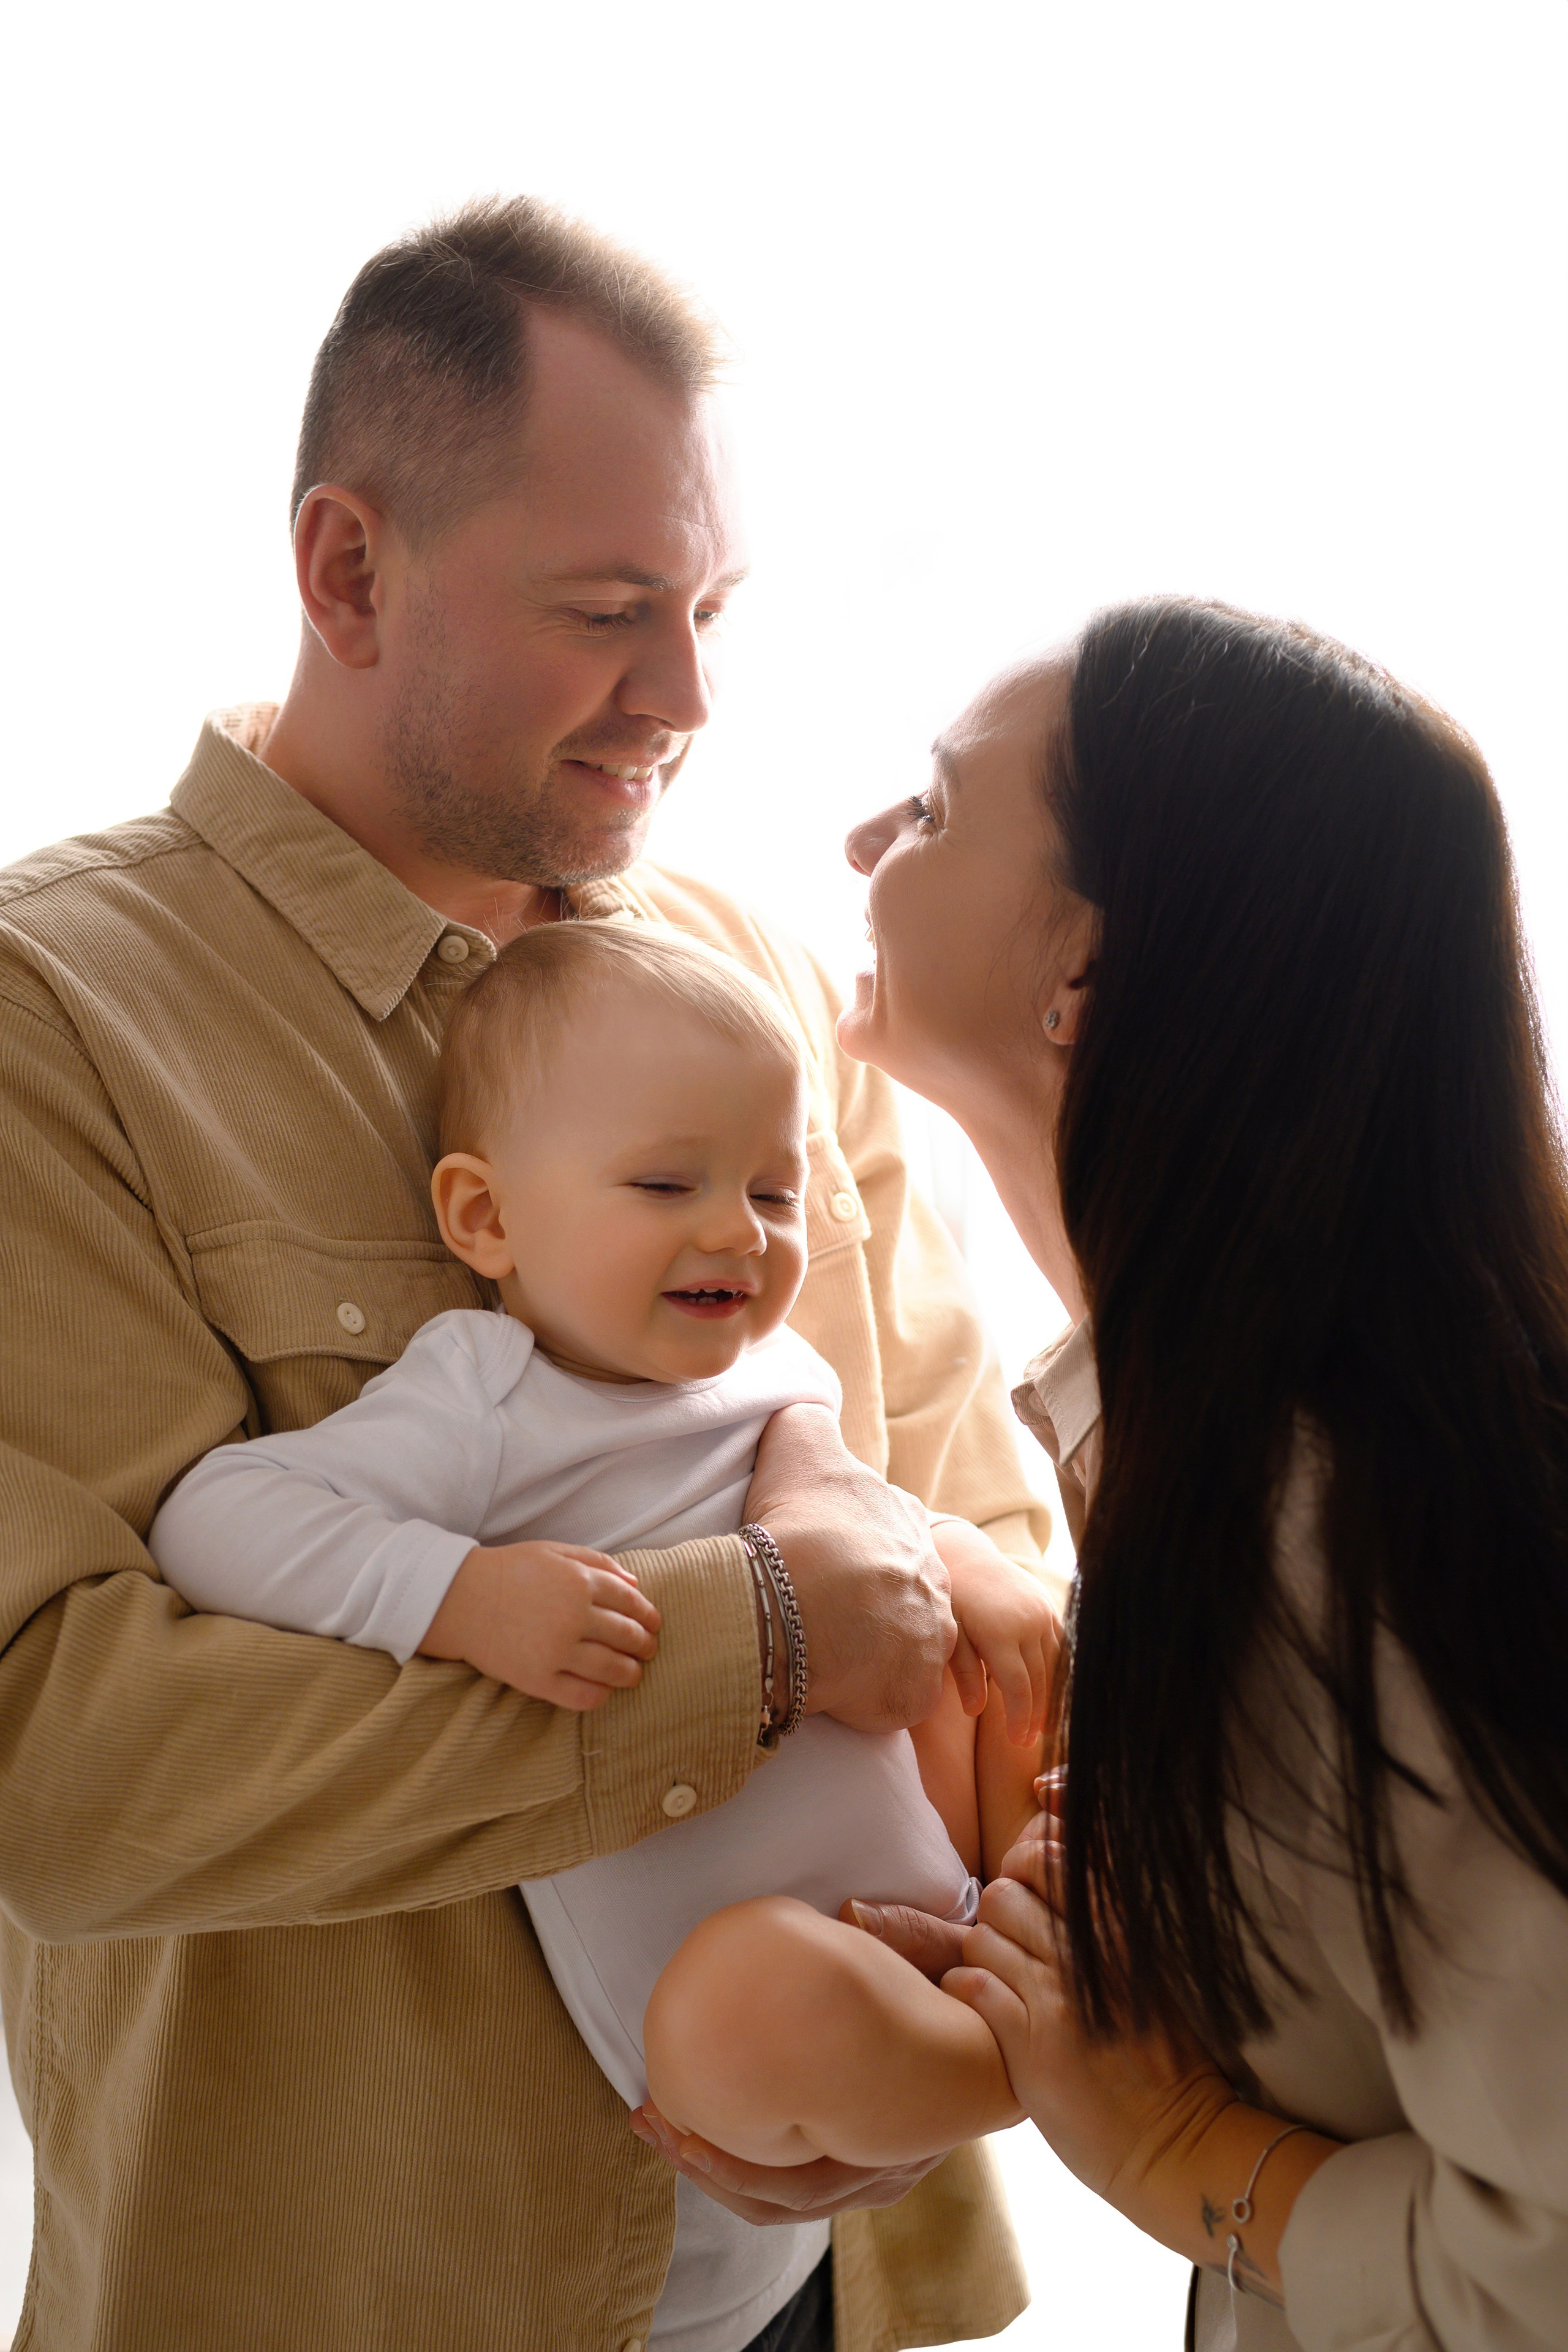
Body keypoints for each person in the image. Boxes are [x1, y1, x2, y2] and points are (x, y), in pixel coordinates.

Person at [0, 199, 1050, 2352]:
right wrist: (751, 1640)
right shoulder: (55, 1023)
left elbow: (991, 1531)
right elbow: (65, 1767)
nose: (689, 695)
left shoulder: (751, 974)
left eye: (712, 609)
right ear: (347, 572)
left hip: (840, 2282)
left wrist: (976, 1986)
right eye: (609, 612)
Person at [826, 598, 1568, 2348]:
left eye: (933, 808)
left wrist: (1175, 2151)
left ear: (1081, 978)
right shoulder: (1217, 1444)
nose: (864, 842)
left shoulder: (1343, 1525)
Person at [146, 921, 1050, 2178]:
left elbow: (864, 1540)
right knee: (746, 2001)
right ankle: (1039, 2065)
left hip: (953, 1880)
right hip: (754, 2009)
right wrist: (458, 1595)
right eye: (668, 1186)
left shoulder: (776, 1365)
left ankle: (1061, 1975)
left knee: (1038, 1678)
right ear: (486, 1217)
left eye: (774, 1193)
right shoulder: (486, 1396)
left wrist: (962, 1557)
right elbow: (214, 1518)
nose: (742, 1233)